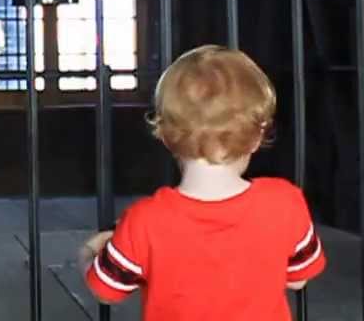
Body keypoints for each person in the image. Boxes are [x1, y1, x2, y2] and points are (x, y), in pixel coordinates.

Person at [79, 44, 325, 320]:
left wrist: (88, 253)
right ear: (257, 137)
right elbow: (298, 279)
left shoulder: (144, 220)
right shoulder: (284, 202)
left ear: (166, 135)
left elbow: (106, 291)